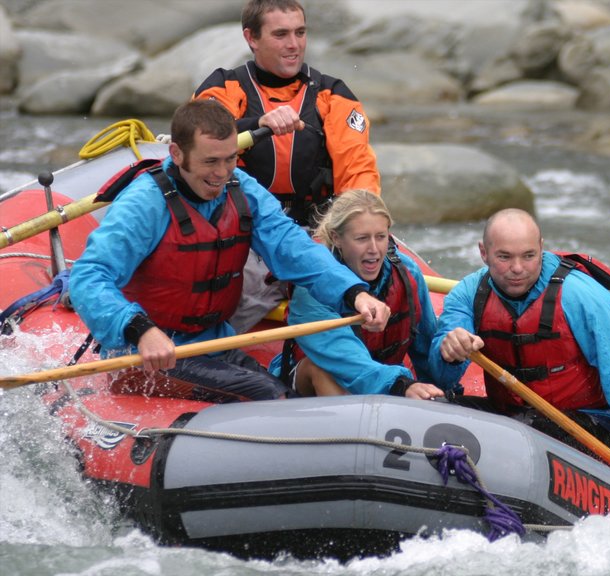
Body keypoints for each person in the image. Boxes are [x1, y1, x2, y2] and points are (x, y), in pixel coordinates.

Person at [69, 99, 390, 403]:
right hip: (145, 353)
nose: (222, 173)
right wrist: (140, 330)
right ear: (177, 154)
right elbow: (88, 275)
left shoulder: (240, 189)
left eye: (230, 159)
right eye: (210, 161)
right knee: (274, 399)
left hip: (213, 343)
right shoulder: (143, 204)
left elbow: (292, 246)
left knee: (281, 396)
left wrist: (354, 293)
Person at [428, 209, 610, 501]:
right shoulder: (468, 293)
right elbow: (440, 375)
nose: (517, 268)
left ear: (541, 248)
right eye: (504, 257)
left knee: (522, 435)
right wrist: (450, 352)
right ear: (483, 253)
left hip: (587, 424)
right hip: (510, 416)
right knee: (431, 407)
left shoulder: (582, 296)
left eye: (528, 256)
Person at [194, 0, 381, 332]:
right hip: (246, 230)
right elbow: (201, 137)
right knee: (244, 293)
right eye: (281, 34)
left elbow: (358, 174)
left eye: (300, 32)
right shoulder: (223, 87)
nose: (294, 45)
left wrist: (347, 235)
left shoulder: (333, 95)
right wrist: (257, 123)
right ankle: (204, 353)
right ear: (251, 38)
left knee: (388, 269)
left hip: (316, 229)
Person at [272, 189, 448, 400]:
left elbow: (427, 351)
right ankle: (346, 431)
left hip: (384, 380)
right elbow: (345, 360)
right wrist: (401, 385)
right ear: (337, 238)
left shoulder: (406, 271)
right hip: (314, 385)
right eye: (362, 238)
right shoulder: (313, 286)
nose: (374, 249)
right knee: (324, 372)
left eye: (381, 237)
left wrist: (450, 362)